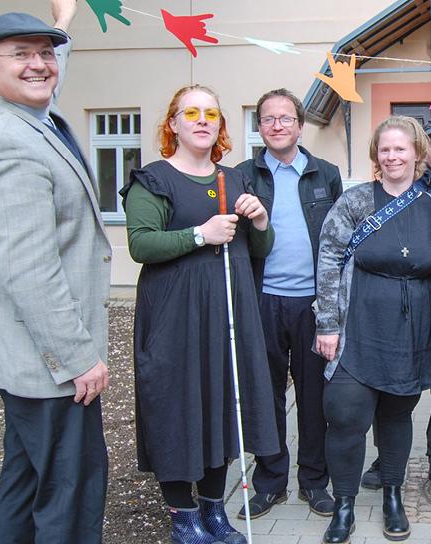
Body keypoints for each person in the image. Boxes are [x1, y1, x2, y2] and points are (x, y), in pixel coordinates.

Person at [0, 3, 111, 542]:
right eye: (21, 55)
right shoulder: (9, 143)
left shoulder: (7, 113)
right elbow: (29, 268)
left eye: (45, 54)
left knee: (26, 482)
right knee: (70, 491)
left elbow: (41, 77)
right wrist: (76, 358)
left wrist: (62, 25)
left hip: (23, 357)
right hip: (48, 363)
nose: (40, 66)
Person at [120, 85, 280, 544]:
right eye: (190, 112)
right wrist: (199, 234)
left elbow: (258, 250)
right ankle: (183, 516)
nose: (202, 120)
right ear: (173, 124)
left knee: (222, 403)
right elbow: (141, 244)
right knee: (175, 405)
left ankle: (214, 511)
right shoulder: (153, 179)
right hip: (173, 315)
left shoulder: (234, 179)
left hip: (228, 312)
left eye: (211, 112)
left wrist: (262, 221)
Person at [315, 116, 431, 543]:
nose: (392, 156)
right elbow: (330, 257)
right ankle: (346, 504)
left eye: (400, 149)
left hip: (411, 334)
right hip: (358, 328)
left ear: (417, 153)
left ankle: (393, 495)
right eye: (385, 149)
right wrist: (328, 324)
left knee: (396, 417)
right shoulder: (356, 202)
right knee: (346, 415)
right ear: (377, 155)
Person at [236, 89, 342, 520]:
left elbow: (339, 242)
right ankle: (269, 481)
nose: (277, 125)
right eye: (267, 119)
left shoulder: (325, 173)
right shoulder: (244, 174)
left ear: (300, 125)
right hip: (263, 301)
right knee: (267, 394)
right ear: (259, 127)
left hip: (313, 306)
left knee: (315, 397)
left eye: (285, 118)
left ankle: (314, 481)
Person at [361, 116, 431, 497]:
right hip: (408, 306)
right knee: (393, 388)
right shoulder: (406, 187)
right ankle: (386, 458)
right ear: (423, 148)